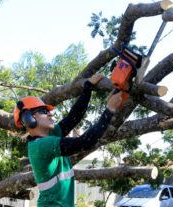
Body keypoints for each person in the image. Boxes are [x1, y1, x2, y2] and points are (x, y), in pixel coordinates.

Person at [13, 74, 122, 207]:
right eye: (43, 111)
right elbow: (85, 142)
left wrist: (88, 87)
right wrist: (109, 110)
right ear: (28, 118)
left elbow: (73, 117)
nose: (50, 113)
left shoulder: (49, 135)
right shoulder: (41, 146)